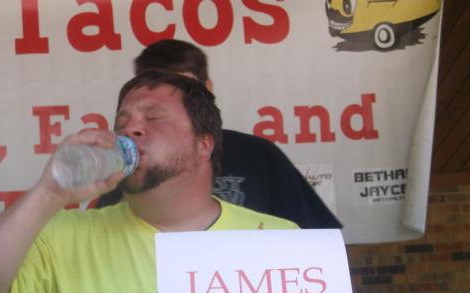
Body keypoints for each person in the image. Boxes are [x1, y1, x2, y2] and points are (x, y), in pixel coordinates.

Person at [0, 70, 377, 293]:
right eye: (122, 121)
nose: (131, 128)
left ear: (203, 144)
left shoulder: (275, 239)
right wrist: (48, 193)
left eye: (153, 117)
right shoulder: (60, 238)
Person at [98, 39, 341, 230]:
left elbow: (319, 241)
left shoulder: (258, 155)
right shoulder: (125, 163)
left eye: (185, 89)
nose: (167, 99)